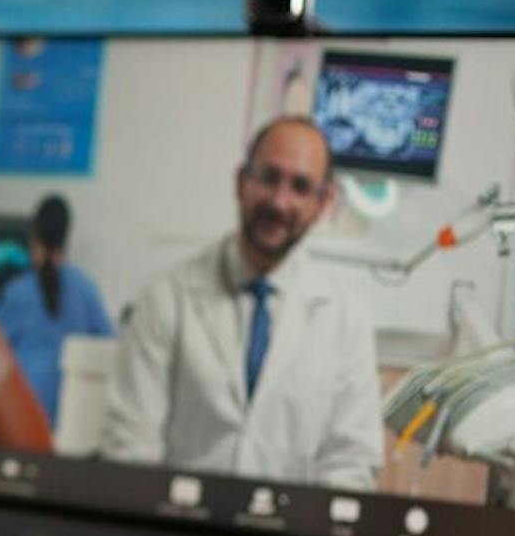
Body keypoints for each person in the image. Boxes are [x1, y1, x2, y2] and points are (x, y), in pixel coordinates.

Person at [100, 115, 383, 490]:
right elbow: (131, 444)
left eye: (300, 186)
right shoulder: (166, 297)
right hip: (176, 530)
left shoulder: (346, 320)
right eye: (268, 177)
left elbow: (351, 462)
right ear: (240, 182)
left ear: (323, 203)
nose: (279, 201)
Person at [0, 195, 114, 425]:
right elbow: (109, 343)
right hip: (69, 414)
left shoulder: (17, 292)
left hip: (19, 408)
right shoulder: (85, 288)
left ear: (33, 236)